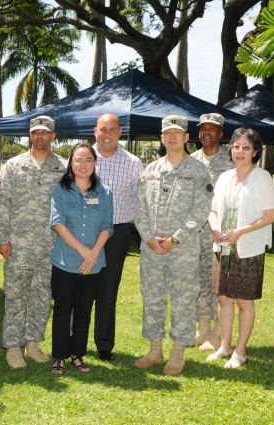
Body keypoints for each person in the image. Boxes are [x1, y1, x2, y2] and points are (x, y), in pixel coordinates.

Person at [134, 115, 213, 376]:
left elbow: (200, 211)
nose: (172, 136)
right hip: (152, 248)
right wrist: (148, 236)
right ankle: (155, 350)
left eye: (177, 133)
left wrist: (176, 238)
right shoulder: (150, 171)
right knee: (153, 297)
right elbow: (140, 208)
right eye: (167, 132)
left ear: (186, 138)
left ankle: (177, 352)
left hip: (183, 248)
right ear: (161, 137)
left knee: (183, 299)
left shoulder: (198, 171)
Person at [0, 116, 67, 369]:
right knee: (14, 296)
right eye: (35, 132)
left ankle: (33, 343)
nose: (40, 137)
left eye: (45, 133)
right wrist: (2, 237)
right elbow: (1, 202)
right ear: (30, 135)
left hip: (51, 246)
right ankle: (13, 347)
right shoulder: (13, 165)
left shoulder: (63, 168)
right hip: (18, 245)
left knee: (42, 296)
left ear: (53, 136)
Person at [206, 128, 274, 369]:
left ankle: (241, 351)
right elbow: (213, 210)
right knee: (224, 298)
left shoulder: (262, 177)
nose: (240, 151)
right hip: (223, 247)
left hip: (248, 248)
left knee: (244, 301)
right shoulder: (225, 177)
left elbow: (270, 215)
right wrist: (215, 227)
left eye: (246, 147)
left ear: (255, 152)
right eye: (236, 146)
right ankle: (225, 346)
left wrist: (240, 232)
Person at [49, 143, 113, 375]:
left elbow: (107, 226)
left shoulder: (105, 192)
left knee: (84, 311)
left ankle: (77, 354)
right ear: (71, 163)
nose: (83, 165)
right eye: (78, 160)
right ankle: (59, 356)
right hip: (65, 261)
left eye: (88, 160)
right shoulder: (61, 190)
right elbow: (57, 222)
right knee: (62, 310)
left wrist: (93, 253)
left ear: (95, 163)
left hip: (93, 264)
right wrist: (83, 251)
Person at [91, 113, 143, 362]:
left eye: (112, 129)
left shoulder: (133, 163)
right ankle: (72, 342)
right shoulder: (82, 158)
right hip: (84, 232)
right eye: (103, 129)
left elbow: (139, 200)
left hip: (118, 232)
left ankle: (104, 345)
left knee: (108, 289)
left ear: (120, 133)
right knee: (78, 286)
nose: (107, 134)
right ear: (95, 131)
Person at [190, 113, 234, 352]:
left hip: (221, 233)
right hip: (195, 234)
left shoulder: (231, 160)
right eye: (203, 128)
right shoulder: (192, 160)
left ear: (221, 134)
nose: (207, 132)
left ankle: (218, 332)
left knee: (219, 282)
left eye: (212, 129)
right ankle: (202, 328)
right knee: (197, 280)